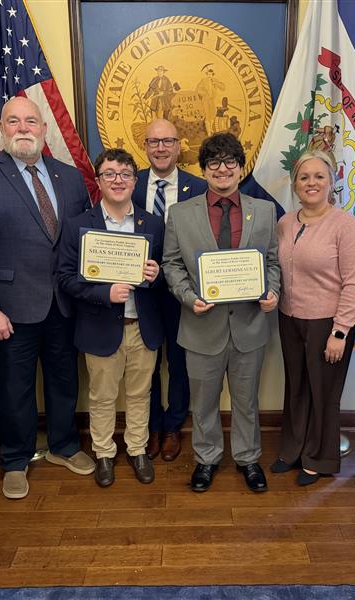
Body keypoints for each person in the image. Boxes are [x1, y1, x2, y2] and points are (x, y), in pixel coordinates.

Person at [0, 97, 93, 500]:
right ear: (1, 129)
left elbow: (82, 241)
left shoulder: (69, 177)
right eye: (13, 121)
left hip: (64, 304)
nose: (23, 128)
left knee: (64, 380)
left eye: (31, 121)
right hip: (9, 309)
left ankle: (64, 445)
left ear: (45, 129)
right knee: (13, 388)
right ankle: (15, 458)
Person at [162, 132, 280, 493]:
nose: (223, 169)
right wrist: (186, 296)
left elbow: (272, 261)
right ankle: (207, 458)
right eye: (214, 163)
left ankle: (248, 458)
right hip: (200, 325)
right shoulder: (180, 214)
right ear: (204, 169)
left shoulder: (264, 210)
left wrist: (272, 290)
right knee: (204, 402)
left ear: (241, 168)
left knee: (246, 401)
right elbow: (171, 263)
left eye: (230, 162)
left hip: (249, 325)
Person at [58, 149, 164, 487]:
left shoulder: (153, 223)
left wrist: (156, 273)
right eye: (109, 174)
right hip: (99, 326)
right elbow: (65, 278)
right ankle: (104, 452)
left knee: (140, 394)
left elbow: (165, 275)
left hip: (142, 327)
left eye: (124, 174)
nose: (117, 180)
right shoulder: (78, 225)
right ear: (99, 181)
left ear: (135, 180)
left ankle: (137, 449)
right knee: (102, 397)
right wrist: (104, 293)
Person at [272, 150, 355, 486]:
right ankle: (293, 450)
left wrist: (340, 332)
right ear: (295, 184)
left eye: (319, 176)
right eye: (304, 177)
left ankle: (319, 459)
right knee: (296, 387)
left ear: (332, 182)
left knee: (323, 392)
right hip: (289, 318)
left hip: (328, 322)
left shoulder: (345, 224)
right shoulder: (285, 222)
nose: (311, 183)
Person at [131, 118, 208, 462]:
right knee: (146, 363)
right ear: (145, 147)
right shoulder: (129, 185)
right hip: (141, 291)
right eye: (153, 142)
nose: (160, 148)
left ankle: (174, 426)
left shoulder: (200, 188)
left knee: (179, 363)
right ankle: (150, 427)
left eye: (168, 141)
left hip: (182, 292)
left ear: (179, 147)